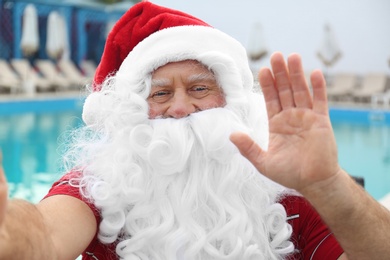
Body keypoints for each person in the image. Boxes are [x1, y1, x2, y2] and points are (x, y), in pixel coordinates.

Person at [0, 1, 388, 259]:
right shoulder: (100, 188)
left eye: (200, 88)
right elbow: (45, 236)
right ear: (132, 112)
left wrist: (327, 184)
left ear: (231, 100)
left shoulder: (285, 191)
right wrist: (7, 230)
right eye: (161, 93)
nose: (181, 108)